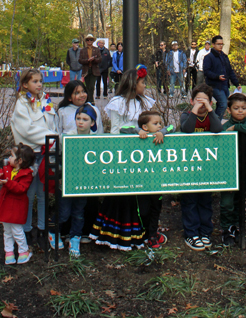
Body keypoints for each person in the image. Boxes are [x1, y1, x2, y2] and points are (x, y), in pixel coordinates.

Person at [91, 66, 155, 250]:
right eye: (143, 83)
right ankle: (117, 233)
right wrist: (133, 133)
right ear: (133, 84)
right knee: (122, 194)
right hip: (124, 153)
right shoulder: (118, 102)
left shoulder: (145, 102)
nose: (145, 86)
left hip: (142, 153)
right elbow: (116, 130)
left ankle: (140, 231)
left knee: (139, 193)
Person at [11, 68, 57, 251]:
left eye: (40, 81)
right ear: (25, 84)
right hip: (29, 156)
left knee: (43, 193)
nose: (39, 84)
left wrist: (53, 140)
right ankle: (27, 230)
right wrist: (51, 136)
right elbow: (26, 129)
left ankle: (43, 229)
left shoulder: (46, 101)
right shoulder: (22, 104)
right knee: (28, 194)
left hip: (45, 153)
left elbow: (52, 122)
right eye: (35, 81)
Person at [120, 110, 174, 248]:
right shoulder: (138, 135)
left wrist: (162, 131)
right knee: (143, 211)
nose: (158, 125)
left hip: (157, 182)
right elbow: (123, 128)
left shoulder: (159, 135)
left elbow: (171, 127)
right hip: (141, 183)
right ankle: (144, 233)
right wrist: (137, 131)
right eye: (155, 123)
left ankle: (152, 235)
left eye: (159, 123)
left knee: (156, 209)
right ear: (145, 127)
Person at [179, 84, 222, 250]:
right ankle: (191, 233)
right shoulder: (186, 116)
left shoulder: (211, 116)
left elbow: (217, 129)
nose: (202, 104)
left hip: (206, 168)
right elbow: (187, 129)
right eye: (198, 100)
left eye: (205, 101)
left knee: (205, 201)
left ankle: (205, 232)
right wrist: (195, 111)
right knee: (190, 201)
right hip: (189, 167)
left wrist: (210, 110)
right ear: (191, 101)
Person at [53, 103, 98, 257]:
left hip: (83, 183)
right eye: (78, 118)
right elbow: (59, 159)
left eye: (85, 119)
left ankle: (75, 238)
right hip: (67, 182)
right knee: (64, 212)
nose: (80, 121)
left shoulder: (96, 140)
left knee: (79, 212)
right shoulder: (66, 137)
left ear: (92, 123)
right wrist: (59, 177)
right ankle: (54, 232)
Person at [220, 93, 246, 246]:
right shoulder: (224, 126)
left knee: (240, 200)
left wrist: (236, 127)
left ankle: (236, 225)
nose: (240, 111)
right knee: (227, 202)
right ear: (229, 110)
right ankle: (226, 229)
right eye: (236, 108)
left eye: (243, 108)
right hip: (229, 170)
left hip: (244, 170)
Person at [0, 143, 35, 265]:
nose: (8, 158)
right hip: (6, 207)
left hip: (16, 208)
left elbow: (21, 188)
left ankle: (22, 251)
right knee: (7, 231)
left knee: (17, 230)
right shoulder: (7, 170)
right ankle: (9, 253)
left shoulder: (27, 174)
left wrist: (7, 182)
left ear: (19, 160)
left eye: (11, 156)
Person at [203, 35, 239, 120]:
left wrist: (236, 84)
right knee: (223, 104)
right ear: (213, 44)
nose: (221, 46)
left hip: (224, 86)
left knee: (221, 105)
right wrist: (217, 77)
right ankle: (215, 123)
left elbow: (230, 71)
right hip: (214, 86)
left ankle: (213, 122)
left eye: (222, 44)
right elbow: (206, 72)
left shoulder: (224, 57)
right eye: (218, 44)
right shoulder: (208, 57)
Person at [78, 34, 101, 104]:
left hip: (94, 70)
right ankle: (88, 99)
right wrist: (88, 60)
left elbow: (100, 59)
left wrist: (93, 59)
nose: (89, 41)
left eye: (91, 40)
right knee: (87, 86)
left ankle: (91, 99)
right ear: (86, 41)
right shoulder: (83, 50)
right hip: (86, 70)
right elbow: (80, 60)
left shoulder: (96, 50)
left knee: (92, 86)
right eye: (88, 40)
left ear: (93, 41)